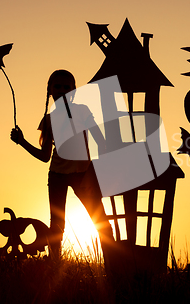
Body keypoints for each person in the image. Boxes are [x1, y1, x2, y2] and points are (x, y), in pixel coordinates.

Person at [10, 69, 114, 260]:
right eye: (57, 86)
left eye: (67, 87)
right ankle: (54, 263)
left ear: (74, 90)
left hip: (82, 173)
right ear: (49, 89)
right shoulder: (49, 119)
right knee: (57, 222)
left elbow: (101, 141)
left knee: (99, 219)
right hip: (57, 174)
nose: (62, 90)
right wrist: (22, 141)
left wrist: (92, 171)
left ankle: (114, 263)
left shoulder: (82, 111)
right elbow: (44, 156)